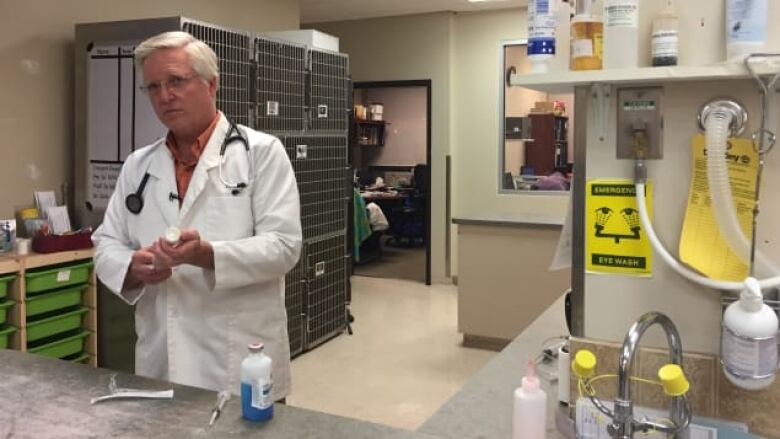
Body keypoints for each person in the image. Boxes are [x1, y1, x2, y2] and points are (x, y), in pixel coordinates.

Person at [92, 31, 302, 401]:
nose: (164, 96)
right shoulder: (138, 165)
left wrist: (207, 255)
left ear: (211, 84)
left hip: (238, 358)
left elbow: (285, 246)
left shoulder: (262, 153)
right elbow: (105, 242)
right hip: (162, 357)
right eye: (153, 87)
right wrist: (131, 265)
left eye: (176, 81)